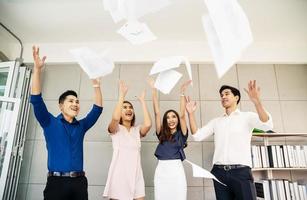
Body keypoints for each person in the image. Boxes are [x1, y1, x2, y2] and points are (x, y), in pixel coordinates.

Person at [30, 46, 103, 200]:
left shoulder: (81, 126)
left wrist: (96, 86)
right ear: (61, 106)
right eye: (71, 101)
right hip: (56, 183)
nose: (75, 104)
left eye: (77, 101)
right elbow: (36, 99)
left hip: (79, 183)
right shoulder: (49, 122)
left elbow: (97, 109)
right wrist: (37, 69)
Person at [186, 80, 273, 200]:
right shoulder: (216, 121)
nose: (223, 97)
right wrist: (190, 114)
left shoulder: (247, 117)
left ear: (236, 97)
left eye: (227, 93)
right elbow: (197, 136)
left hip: (241, 172)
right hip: (219, 173)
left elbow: (267, 125)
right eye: (221, 95)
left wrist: (257, 103)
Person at [103, 81, 151, 200]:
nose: (128, 109)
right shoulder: (115, 129)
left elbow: (148, 124)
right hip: (119, 175)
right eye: (125, 107)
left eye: (130, 108)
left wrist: (143, 102)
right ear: (120, 112)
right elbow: (115, 117)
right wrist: (122, 95)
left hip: (136, 174)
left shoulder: (137, 130)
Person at [148, 79, 192, 200]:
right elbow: (157, 113)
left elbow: (183, 115)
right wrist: (154, 90)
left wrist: (182, 92)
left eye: (173, 116)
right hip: (161, 171)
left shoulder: (182, 134)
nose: (171, 119)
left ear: (177, 119)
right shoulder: (161, 133)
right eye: (168, 117)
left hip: (176, 171)